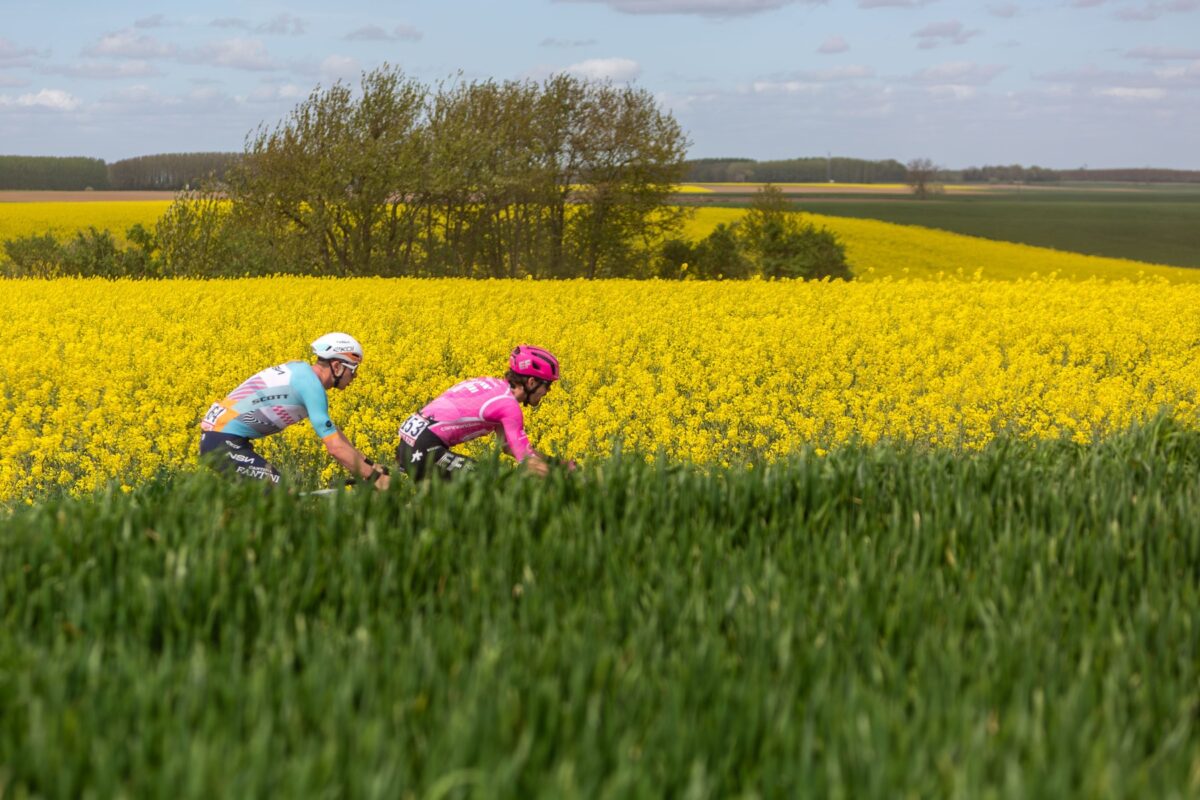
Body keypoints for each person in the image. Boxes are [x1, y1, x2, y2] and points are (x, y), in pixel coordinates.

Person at [199, 332, 390, 490]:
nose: (355, 376)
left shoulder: (302, 373)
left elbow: (335, 435)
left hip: (222, 440)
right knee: (284, 498)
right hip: (223, 443)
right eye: (353, 369)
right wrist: (376, 479)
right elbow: (335, 448)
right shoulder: (311, 386)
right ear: (338, 366)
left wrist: (369, 464)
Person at [396, 344, 568, 481]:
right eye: (547, 385)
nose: (548, 392)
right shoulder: (508, 406)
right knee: (490, 484)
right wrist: (568, 484)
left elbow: (509, 448)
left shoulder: (492, 385)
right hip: (426, 447)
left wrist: (558, 464)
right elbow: (527, 460)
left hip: (409, 440)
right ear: (531, 382)